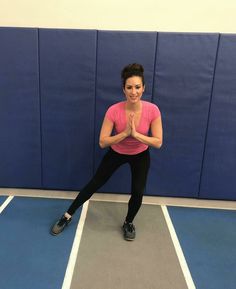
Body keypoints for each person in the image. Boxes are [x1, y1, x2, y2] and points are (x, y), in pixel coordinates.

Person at [51, 63, 163, 241]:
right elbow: (103, 142)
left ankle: (128, 222)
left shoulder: (153, 110)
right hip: (116, 153)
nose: (133, 92)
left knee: (138, 191)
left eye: (137, 87)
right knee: (94, 184)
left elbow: (158, 142)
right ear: (123, 89)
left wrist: (135, 134)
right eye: (129, 87)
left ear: (144, 88)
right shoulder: (113, 110)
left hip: (140, 155)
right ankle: (67, 216)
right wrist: (125, 133)